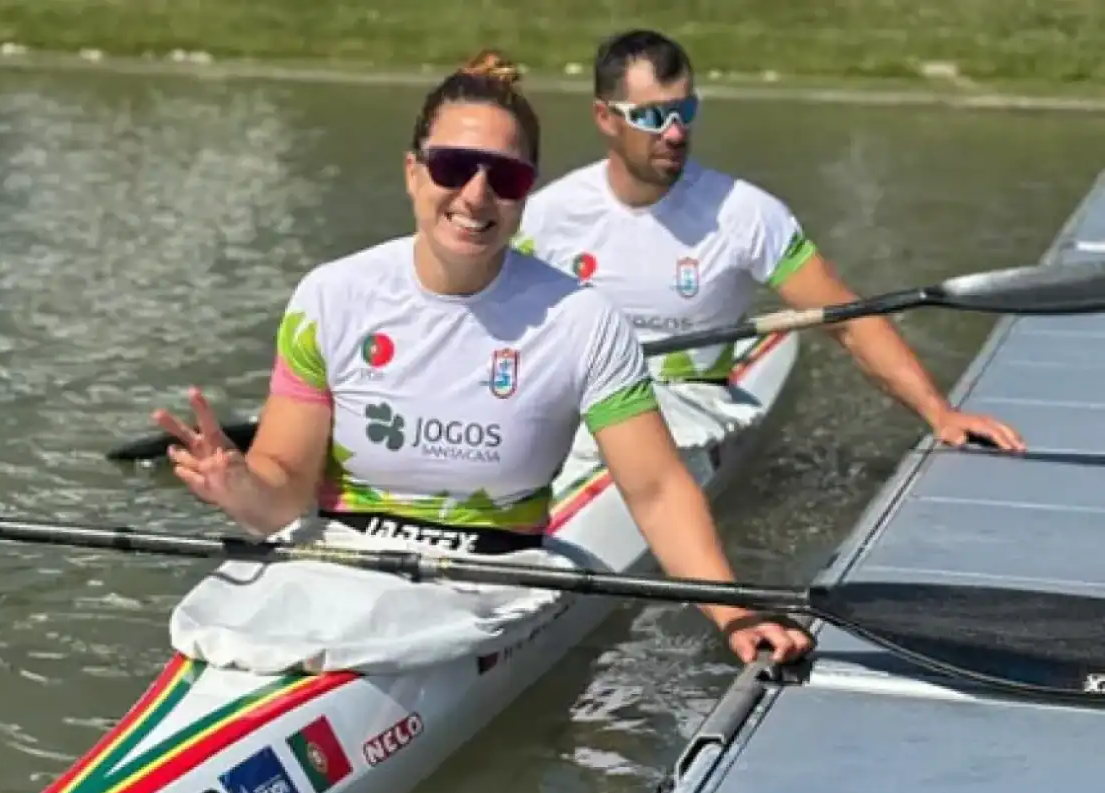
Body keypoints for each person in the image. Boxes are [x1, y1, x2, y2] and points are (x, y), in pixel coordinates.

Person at [151, 49, 812, 667]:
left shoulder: (581, 318)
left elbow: (658, 489)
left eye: (506, 176)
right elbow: (284, 494)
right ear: (413, 172)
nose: (474, 195)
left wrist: (733, 613)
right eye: (450, 167)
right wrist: (240, 488)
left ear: (527, 193)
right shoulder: (331, 295)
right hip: (332, 567)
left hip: (486, 584)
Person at [513, 29, 1026, 453]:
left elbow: (848, 322)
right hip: (580, 404)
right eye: (652, 117)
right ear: (605, 118)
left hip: (687, 412)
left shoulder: (746, 214)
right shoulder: (546, 216)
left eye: (684, 111)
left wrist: (940, 413)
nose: (673, 133)